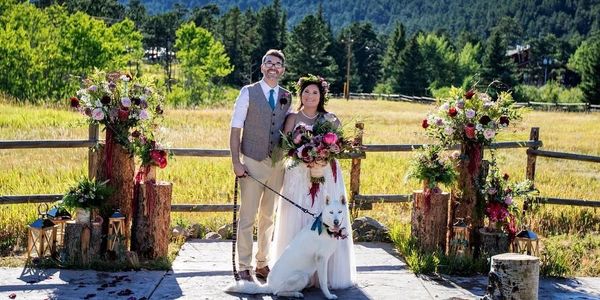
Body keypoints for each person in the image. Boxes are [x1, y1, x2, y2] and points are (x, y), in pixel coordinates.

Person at [271, 74, 356, 289]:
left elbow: (338, 148)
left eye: (315, 92)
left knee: (325, 214)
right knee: (296, 217)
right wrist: (304, 156)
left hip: (326, 175)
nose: (310, 96)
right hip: (298, 175)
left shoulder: (331, 119)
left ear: (322, 96)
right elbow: (286, 146)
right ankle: (296, 273)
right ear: (300, 95)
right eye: (306, 92)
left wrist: (322, 157)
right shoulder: (292, 118)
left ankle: (326, 276)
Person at [229, 49, 292, 282]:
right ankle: (244, 265)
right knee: (247, 216)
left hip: (277, 164)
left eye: (278, 64)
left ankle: (262, 263)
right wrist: (236, 162)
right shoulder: (248, 92)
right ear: (262, 67)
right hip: (253, 162)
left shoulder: (287, 95)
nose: (273, 67)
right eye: (269, 63)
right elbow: (235, 130)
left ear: (282, 70)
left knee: (268, 216)